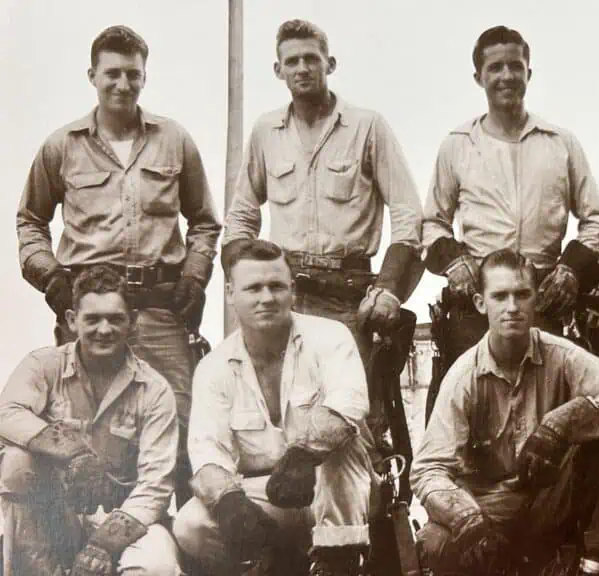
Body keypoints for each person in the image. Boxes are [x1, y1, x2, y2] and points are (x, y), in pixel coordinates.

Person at [16, 25, 222, 504]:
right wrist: (50, 278)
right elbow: (30, 221)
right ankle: (93, 545)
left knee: (181, 426)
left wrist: (194, 275)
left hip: (159, 311)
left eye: (133, 74)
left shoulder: (174, 140)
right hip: (90, 312)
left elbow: (205, 222)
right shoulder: (61, 146)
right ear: (92, 75)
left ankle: (180, 548)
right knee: (86, 432)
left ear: (145, 78)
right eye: (112, 73)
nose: (122, 84)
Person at [410, 248, 599, 575]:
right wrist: (469, 520)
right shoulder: (463, 377)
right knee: (435, 546)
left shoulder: (562, 355)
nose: (512, 307)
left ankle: (597, 562)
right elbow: (427, 470)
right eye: (500, 296)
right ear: (481, 304)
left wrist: (568, 419)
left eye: (522, 295)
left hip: (552, 499)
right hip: (489, 510)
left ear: (536, 300)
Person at [224, 18, 424, 364]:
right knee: (280, 405)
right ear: (278, 70)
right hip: (285, 295)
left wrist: (389, 290)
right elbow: (241, 215)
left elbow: (407, 212)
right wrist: (248, 277)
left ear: (329, 64)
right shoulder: (265, 132)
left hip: (349, 298)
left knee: (350, 407)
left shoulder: (367, 126)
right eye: (292, 61)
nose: (302, 68)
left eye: (311, 59)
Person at [172, 239, 376, 576]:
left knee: (344, 448)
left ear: (293, 291)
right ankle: (270, 565)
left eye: (276, 286)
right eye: (253, 288)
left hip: (336, 494)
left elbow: (349, 403)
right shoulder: (214, 367)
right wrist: (229, 502)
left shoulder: (331, 336)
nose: (267, 298)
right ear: (229, 293)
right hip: (268, 498)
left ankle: (341, 563)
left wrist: (303, 453)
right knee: (190, 524)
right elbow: (207, 452)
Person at [422, 25, 599, 364]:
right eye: (495, 67)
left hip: (542, 296)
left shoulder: (560, 143)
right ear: (479, 77)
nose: (506, 76)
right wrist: (456, 264)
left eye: (515, 66)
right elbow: (432, 222)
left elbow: (597, 220)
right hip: (478, 300)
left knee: (547, 400)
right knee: (475, 402)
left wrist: (569, 270)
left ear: (529, 72)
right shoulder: (457, 144)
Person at [0, 265, 180, 576]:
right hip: (56, 514)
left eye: (115, 318)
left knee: (157, 567)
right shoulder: (44, 366)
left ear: (133, 323)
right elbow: (7, 412)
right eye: (92, 319)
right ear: (72, 320)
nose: (104, 329)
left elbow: (156, 484)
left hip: (126, 517)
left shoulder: (155, 390)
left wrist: (104, 544)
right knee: (17, 462)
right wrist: (72, 451)